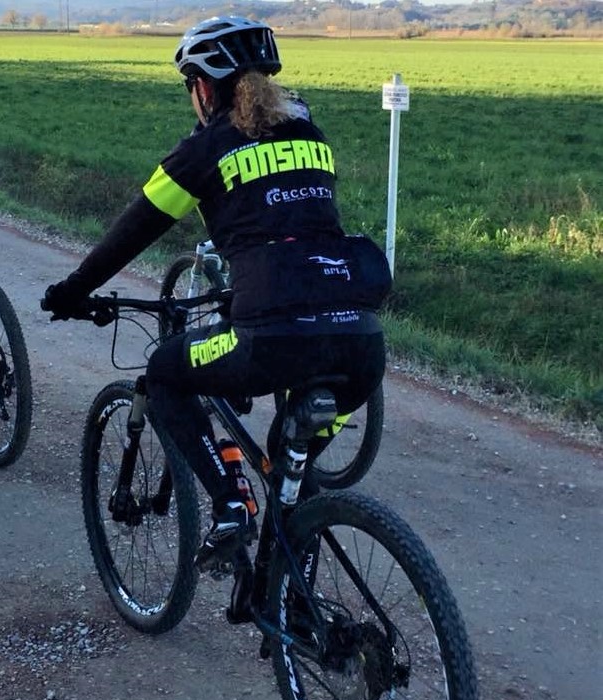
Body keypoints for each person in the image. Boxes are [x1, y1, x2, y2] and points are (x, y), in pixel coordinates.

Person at [42, 16, 389, 572]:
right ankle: (289, 596)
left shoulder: (204, 149)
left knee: (165, 373)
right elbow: (292, 227)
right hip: (362, 345)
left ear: (203, 87)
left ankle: (230, 505)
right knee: (290, 464)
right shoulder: (309, 133)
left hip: (272, 339)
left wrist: (71, 291)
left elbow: (132, 230)